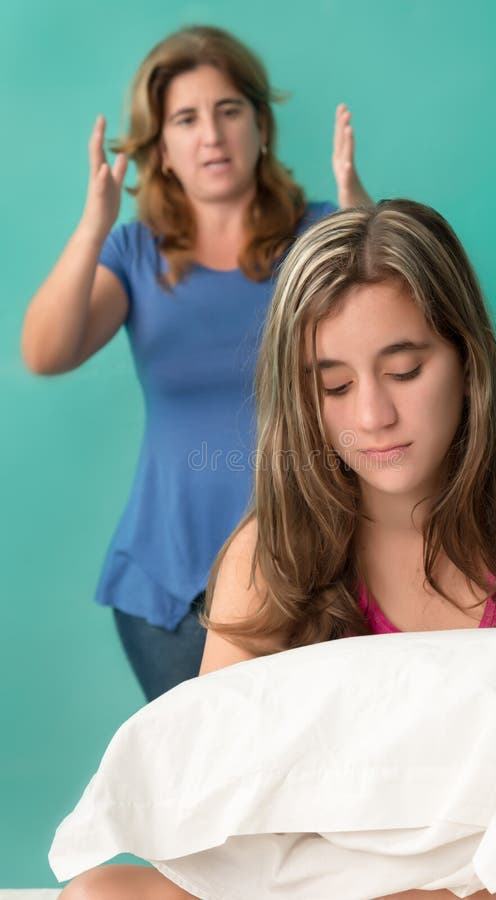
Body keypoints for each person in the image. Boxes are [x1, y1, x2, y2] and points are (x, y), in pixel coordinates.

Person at [58, 200, 496, 897]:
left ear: (467, 360)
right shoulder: (267, 558)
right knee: (101, 890)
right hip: (325, 880)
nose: (372, 416)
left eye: (404, 371)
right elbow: (215, 806)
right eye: (334, 385)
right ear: (299, 395)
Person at [21, 25, 371, 701]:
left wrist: (359, 213)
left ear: (260, 126)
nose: (210, 135)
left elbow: (386, 324)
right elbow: (46, 352)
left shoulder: (318, 234)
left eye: (228, 110)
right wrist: (92, 227)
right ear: (162, 148)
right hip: (169, 583)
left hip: (314, 565)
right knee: (206, 794)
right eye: (185, 118)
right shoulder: (132, 253)